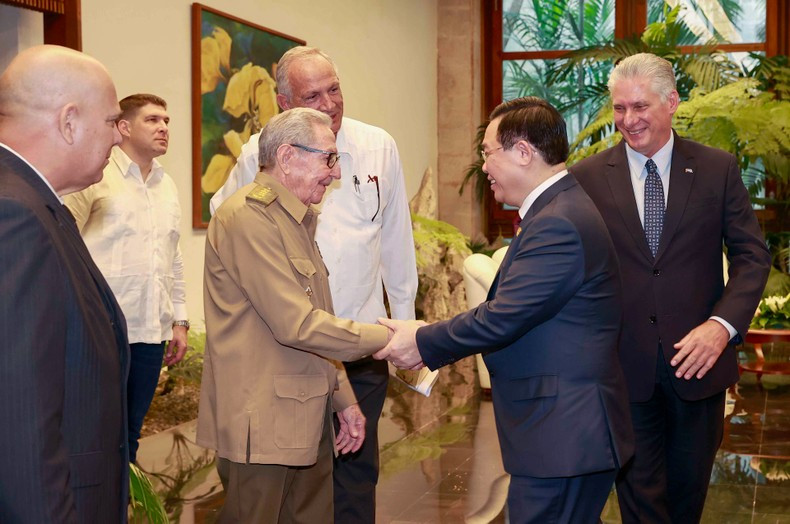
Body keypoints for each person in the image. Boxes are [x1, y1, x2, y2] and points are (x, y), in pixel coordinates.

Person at [376, 97, 634, 523]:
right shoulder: (558, 210)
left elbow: (503, 316)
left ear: (524, 152)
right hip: (563, 433)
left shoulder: (558, 222)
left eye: (487, 153)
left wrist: (421, 340)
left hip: (563, 434)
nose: (483, 167)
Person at [209, 46, 417, 523]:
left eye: (335, 89)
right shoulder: (253, 194)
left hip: (350, 355)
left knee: (345, 481)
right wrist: (398, 338)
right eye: (313, 95)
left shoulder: (376, 147)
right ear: (284, 106)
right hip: (279, 367)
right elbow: (289, 314)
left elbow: (396, 246)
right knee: (272, 494)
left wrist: (402, 332)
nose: (329, 103)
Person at [571, 53, 771, 523]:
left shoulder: (717, 169)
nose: (628, 120)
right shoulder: (587, 178)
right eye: (620, 108)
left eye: (640, 106)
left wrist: (721, 327)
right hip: (623, 370)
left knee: (686, 501)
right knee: (640, 503)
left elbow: (752, 257)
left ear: (672, 102)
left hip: (699, 370)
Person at [0, 45, 130, 522]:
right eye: (112, 121)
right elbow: (18, 423)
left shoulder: (35, 203)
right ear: (69, 121)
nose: (119, 137)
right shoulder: (15, 214)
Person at [65, 93, 189, 463]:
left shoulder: (167, 186)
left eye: (166, 121)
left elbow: (174, 256)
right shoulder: (94, 177)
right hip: (102, 332)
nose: (164, 128)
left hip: (151, 333)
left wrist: (179, 320)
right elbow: (63, 243)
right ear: (123, 127)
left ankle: (124, 510)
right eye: (152, 120)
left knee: (130, 437)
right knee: (95, 435)